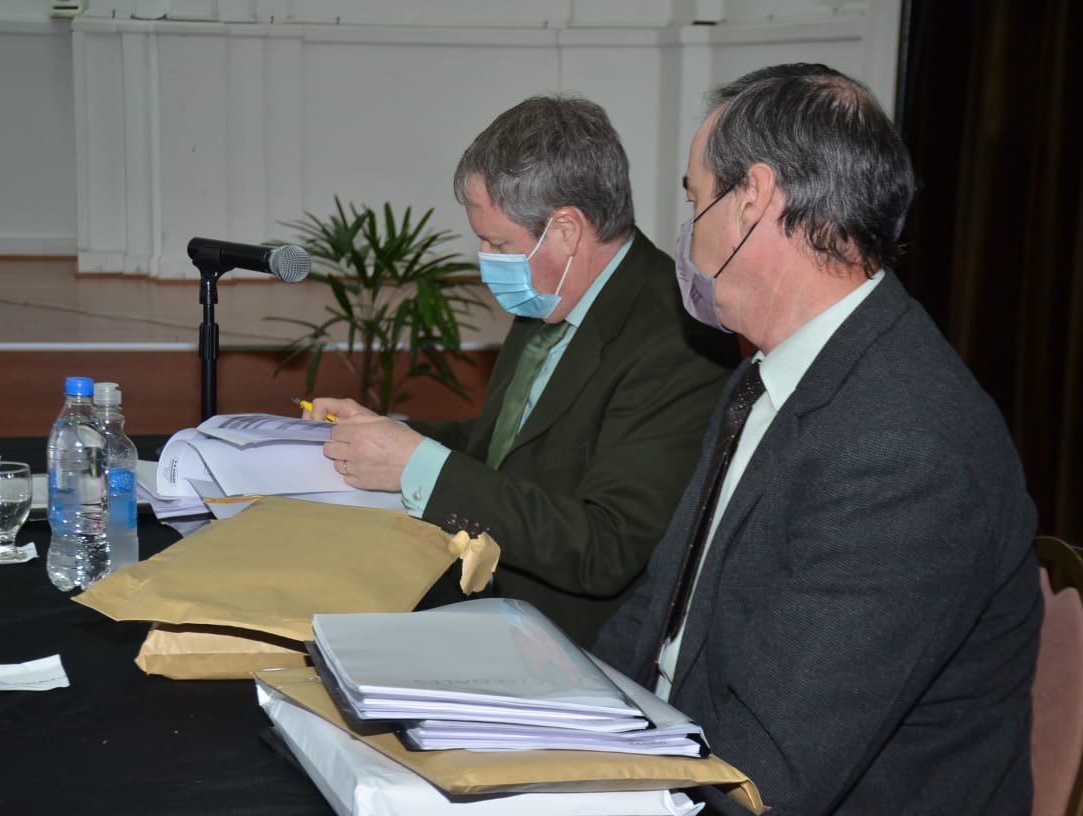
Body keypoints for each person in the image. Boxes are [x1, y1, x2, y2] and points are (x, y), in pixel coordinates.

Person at [593, 64, 1043, 814]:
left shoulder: (907, 450)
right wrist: (550, 720)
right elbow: (660, 611)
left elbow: (769, 777)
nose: (689, 228)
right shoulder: (765, 374)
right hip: (676, 758)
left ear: (753, 200)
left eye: (696, 199)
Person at [304, 95, 737, 645]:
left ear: (567, 230)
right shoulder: (550, 293)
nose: (486, 258)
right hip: (482, 603)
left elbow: (605, 547)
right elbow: (503, 449)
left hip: (569, 644)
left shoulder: (679, 339)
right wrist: (385, 436)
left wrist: (415, 465)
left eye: (498, 242)